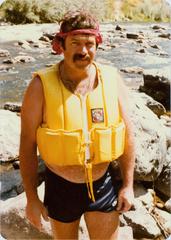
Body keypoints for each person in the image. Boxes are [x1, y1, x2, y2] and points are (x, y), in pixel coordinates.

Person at [19, 10, 135, 240]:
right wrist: (32, 199)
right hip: (60, 187)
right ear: (61, 45)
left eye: (89, 44)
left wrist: (128, 185)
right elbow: (27, 146)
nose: (83, 51)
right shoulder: (39, 86)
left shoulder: (111, 80)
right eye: (75, 43)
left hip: (103, 183)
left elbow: (128, 135)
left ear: (97, 44)